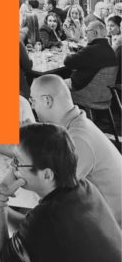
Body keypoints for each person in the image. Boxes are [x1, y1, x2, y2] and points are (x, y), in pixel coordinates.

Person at [0, 123, 121, 262]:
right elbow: (35, 232)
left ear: (47, 175)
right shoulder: (84, 187)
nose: (12, 166)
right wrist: (3, 206)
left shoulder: (47, 217)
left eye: (17, 162)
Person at [30, 75, 122, 225]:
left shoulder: (78, 138)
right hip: (98, 209)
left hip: (112, 223)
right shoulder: (75, 122)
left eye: (33, 101)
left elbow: (54, 193)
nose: (32, 107)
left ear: (47, 101)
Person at [64, 20, 117, 90]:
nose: (85, 35)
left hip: (83, 90)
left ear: (95, 33)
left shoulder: (91, 49)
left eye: (86, 31)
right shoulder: (110, 49)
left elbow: (67, 62)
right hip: (103, 91)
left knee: (55, 83)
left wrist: (70, 54)